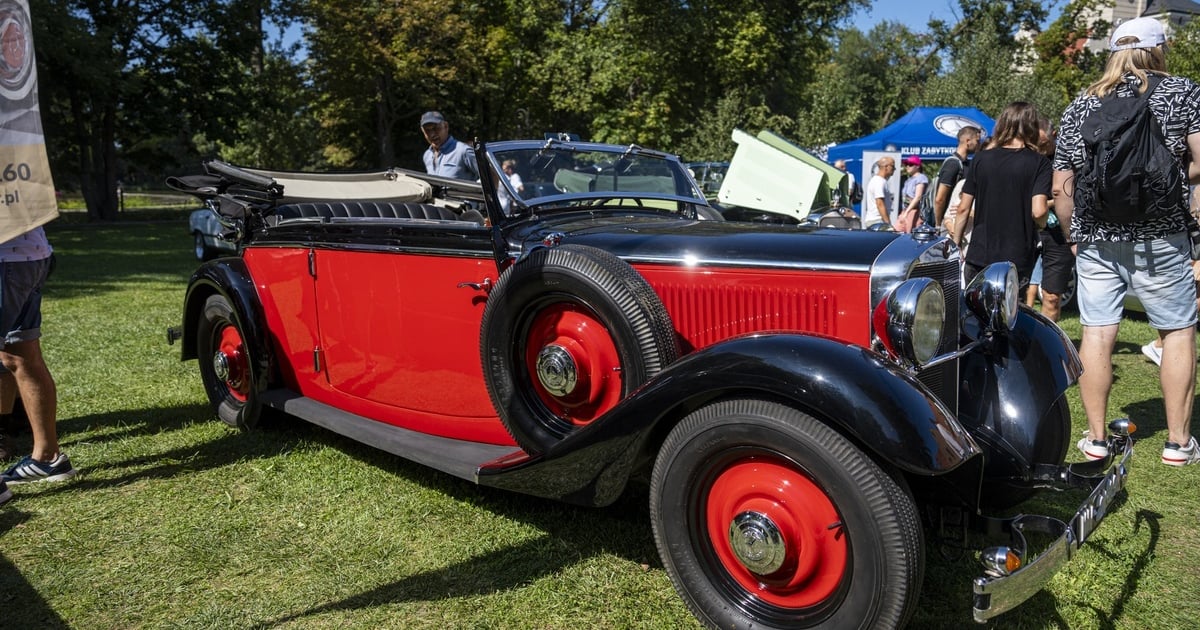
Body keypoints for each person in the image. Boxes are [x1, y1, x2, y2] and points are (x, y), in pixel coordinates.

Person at [1053, 16, 1200, 466]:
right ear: (1161, 48)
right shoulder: (1183, 93)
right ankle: (1178, 443)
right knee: (1176, 331)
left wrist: (1073, 236)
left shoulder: (1082, 103)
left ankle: (1096, 438)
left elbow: (1063, 184)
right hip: (1163, 236)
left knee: (1097, 332)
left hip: (1096, 237)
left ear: (1113, 51)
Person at [0, 227, 75, 484]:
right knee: (20, 356)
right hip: (31, 253)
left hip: (4, 257)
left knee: (22, 356)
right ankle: (47, 459)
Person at [952, 102, 1051, 288]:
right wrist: (1041, 224)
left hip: (979, 253)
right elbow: (1038, 212)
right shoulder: (1040, 163)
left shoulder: (981, 159)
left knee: (974, 313)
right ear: (1032, 126)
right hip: (1017, 256)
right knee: (1011, 314)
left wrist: (956, 243)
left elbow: (963, 208)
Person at [1030, 115, 1075, 322]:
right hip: (1028, 230)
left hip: (1059, 233)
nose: (1039, 150)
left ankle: (1048, 347)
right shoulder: (1030, 159)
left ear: (1054, 135)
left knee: (1051, 296)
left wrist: (1044, 204)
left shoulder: (1068, 160)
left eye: (1044, 144)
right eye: (1035, 145)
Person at [932, 126, 982, 227]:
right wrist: (938, 225)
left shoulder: (967, 164)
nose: (978, 144)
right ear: (968, 141)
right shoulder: (953, 164)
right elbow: (940, 199)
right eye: (977, 141)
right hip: (948, 224)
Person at [419, 111, 480, 181]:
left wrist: (476, 190)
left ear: (446, 126)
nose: (432, 134)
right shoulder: (427, 155)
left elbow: (490, 176)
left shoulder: (463, 151)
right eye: (427, 130)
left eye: (436, 128)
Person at [862, 156, 895, 228]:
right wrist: (888, 224)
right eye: (893, 166)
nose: (894, 169)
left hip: (876, 220)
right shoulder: (879, 182)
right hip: (877, 220)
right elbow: (880, 203)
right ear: (886, 167)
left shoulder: (878, 180)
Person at [897, 155, 928, 232]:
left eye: (910, 164)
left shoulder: (921, 178)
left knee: (910, 237)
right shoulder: (908, 180)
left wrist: (907, 213)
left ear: (917, 166)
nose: (907, 166)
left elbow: (918, 197)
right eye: (906, 164)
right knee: (896, 232)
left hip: (915, 212)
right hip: (905, 211)